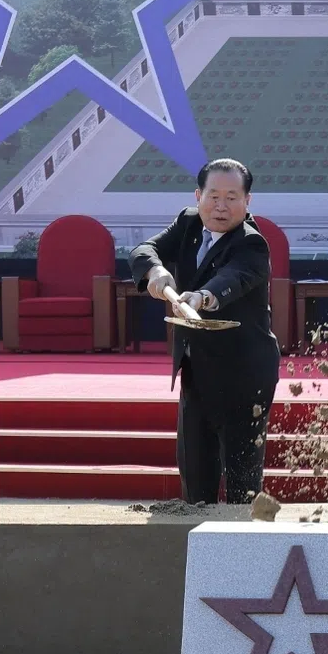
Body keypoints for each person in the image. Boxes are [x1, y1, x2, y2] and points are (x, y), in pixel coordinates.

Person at [130, 158, 281, 504]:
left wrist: (201, 297)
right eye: (214, 196)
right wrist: (155, 272)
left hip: (245, 376)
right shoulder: (187, 223)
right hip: (197, 371)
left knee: (243, 486)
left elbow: (233, 278)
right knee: (196, 480)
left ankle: (245, 550)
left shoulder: (251, 243)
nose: (221, 207)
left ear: (247, 201)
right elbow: (143, 250)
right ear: (198, 195)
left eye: (232, 198)